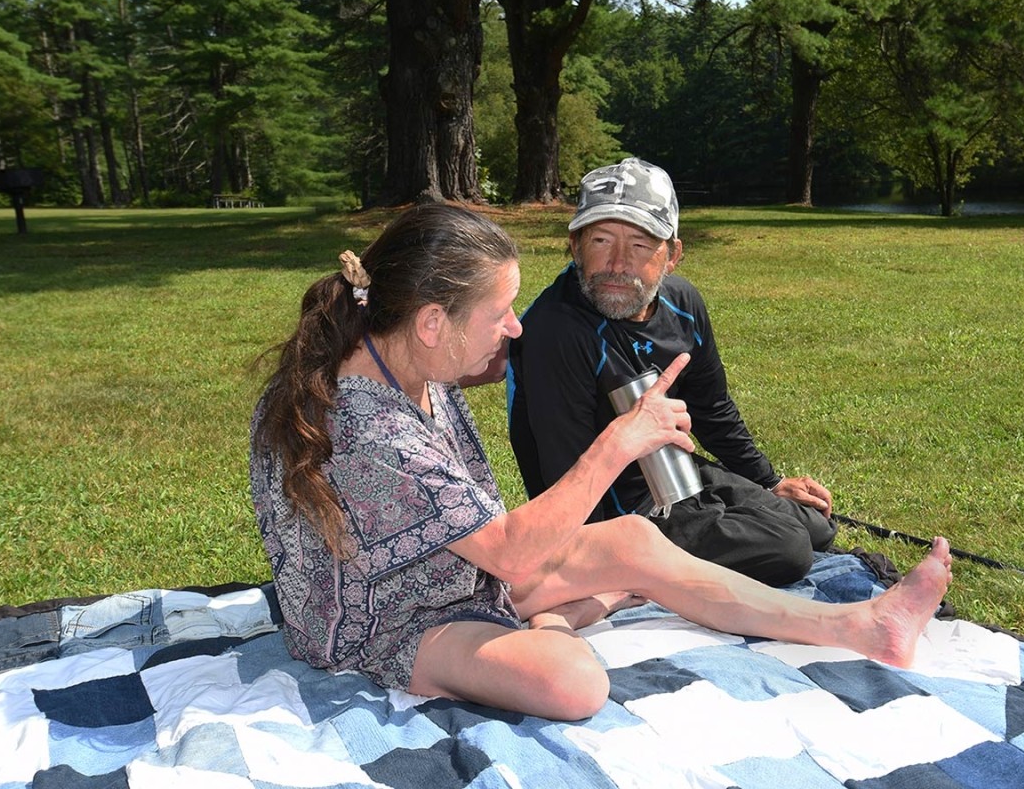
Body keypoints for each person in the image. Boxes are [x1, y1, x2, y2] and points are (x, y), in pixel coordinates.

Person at [250, 203, 953, 721]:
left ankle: (864, 626)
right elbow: (510, 553)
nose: (515, 327)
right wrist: (620, 441)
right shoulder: (365, 427)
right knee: (573, 685)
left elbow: (491, 539)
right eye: (500, 312)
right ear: (432, 322)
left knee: (637, 538)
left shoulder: (406, 356)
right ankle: (556, 617)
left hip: (452, 571)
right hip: (384, 619)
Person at [508, 157, 835, 588]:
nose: (617, 264)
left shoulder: (683, 303)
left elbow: (712, 406)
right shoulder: (556, 329)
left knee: (816, 527)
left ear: (673, 254)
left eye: (641, 245)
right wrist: (607, 570)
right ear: (575, 245)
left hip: (674, 472)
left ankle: (719, 517)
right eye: (601, 239)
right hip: (615, 508)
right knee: (789, 549)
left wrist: (769, 482)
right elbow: (565, 479)